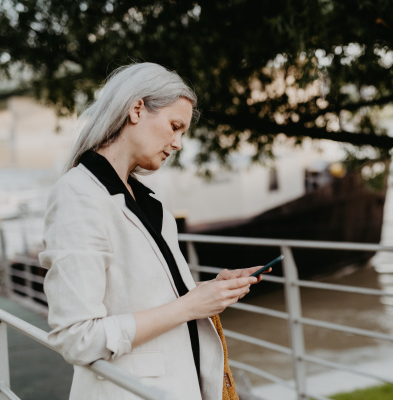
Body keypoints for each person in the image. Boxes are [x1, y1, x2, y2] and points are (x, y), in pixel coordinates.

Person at [39, 62, 267, 400]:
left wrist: (209, 292)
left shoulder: (151, 205)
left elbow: (148, 297)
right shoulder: (78, 195)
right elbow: (77, 337)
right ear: (136, 109)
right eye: (174, 126)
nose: (176, 144)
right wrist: (191, 305)